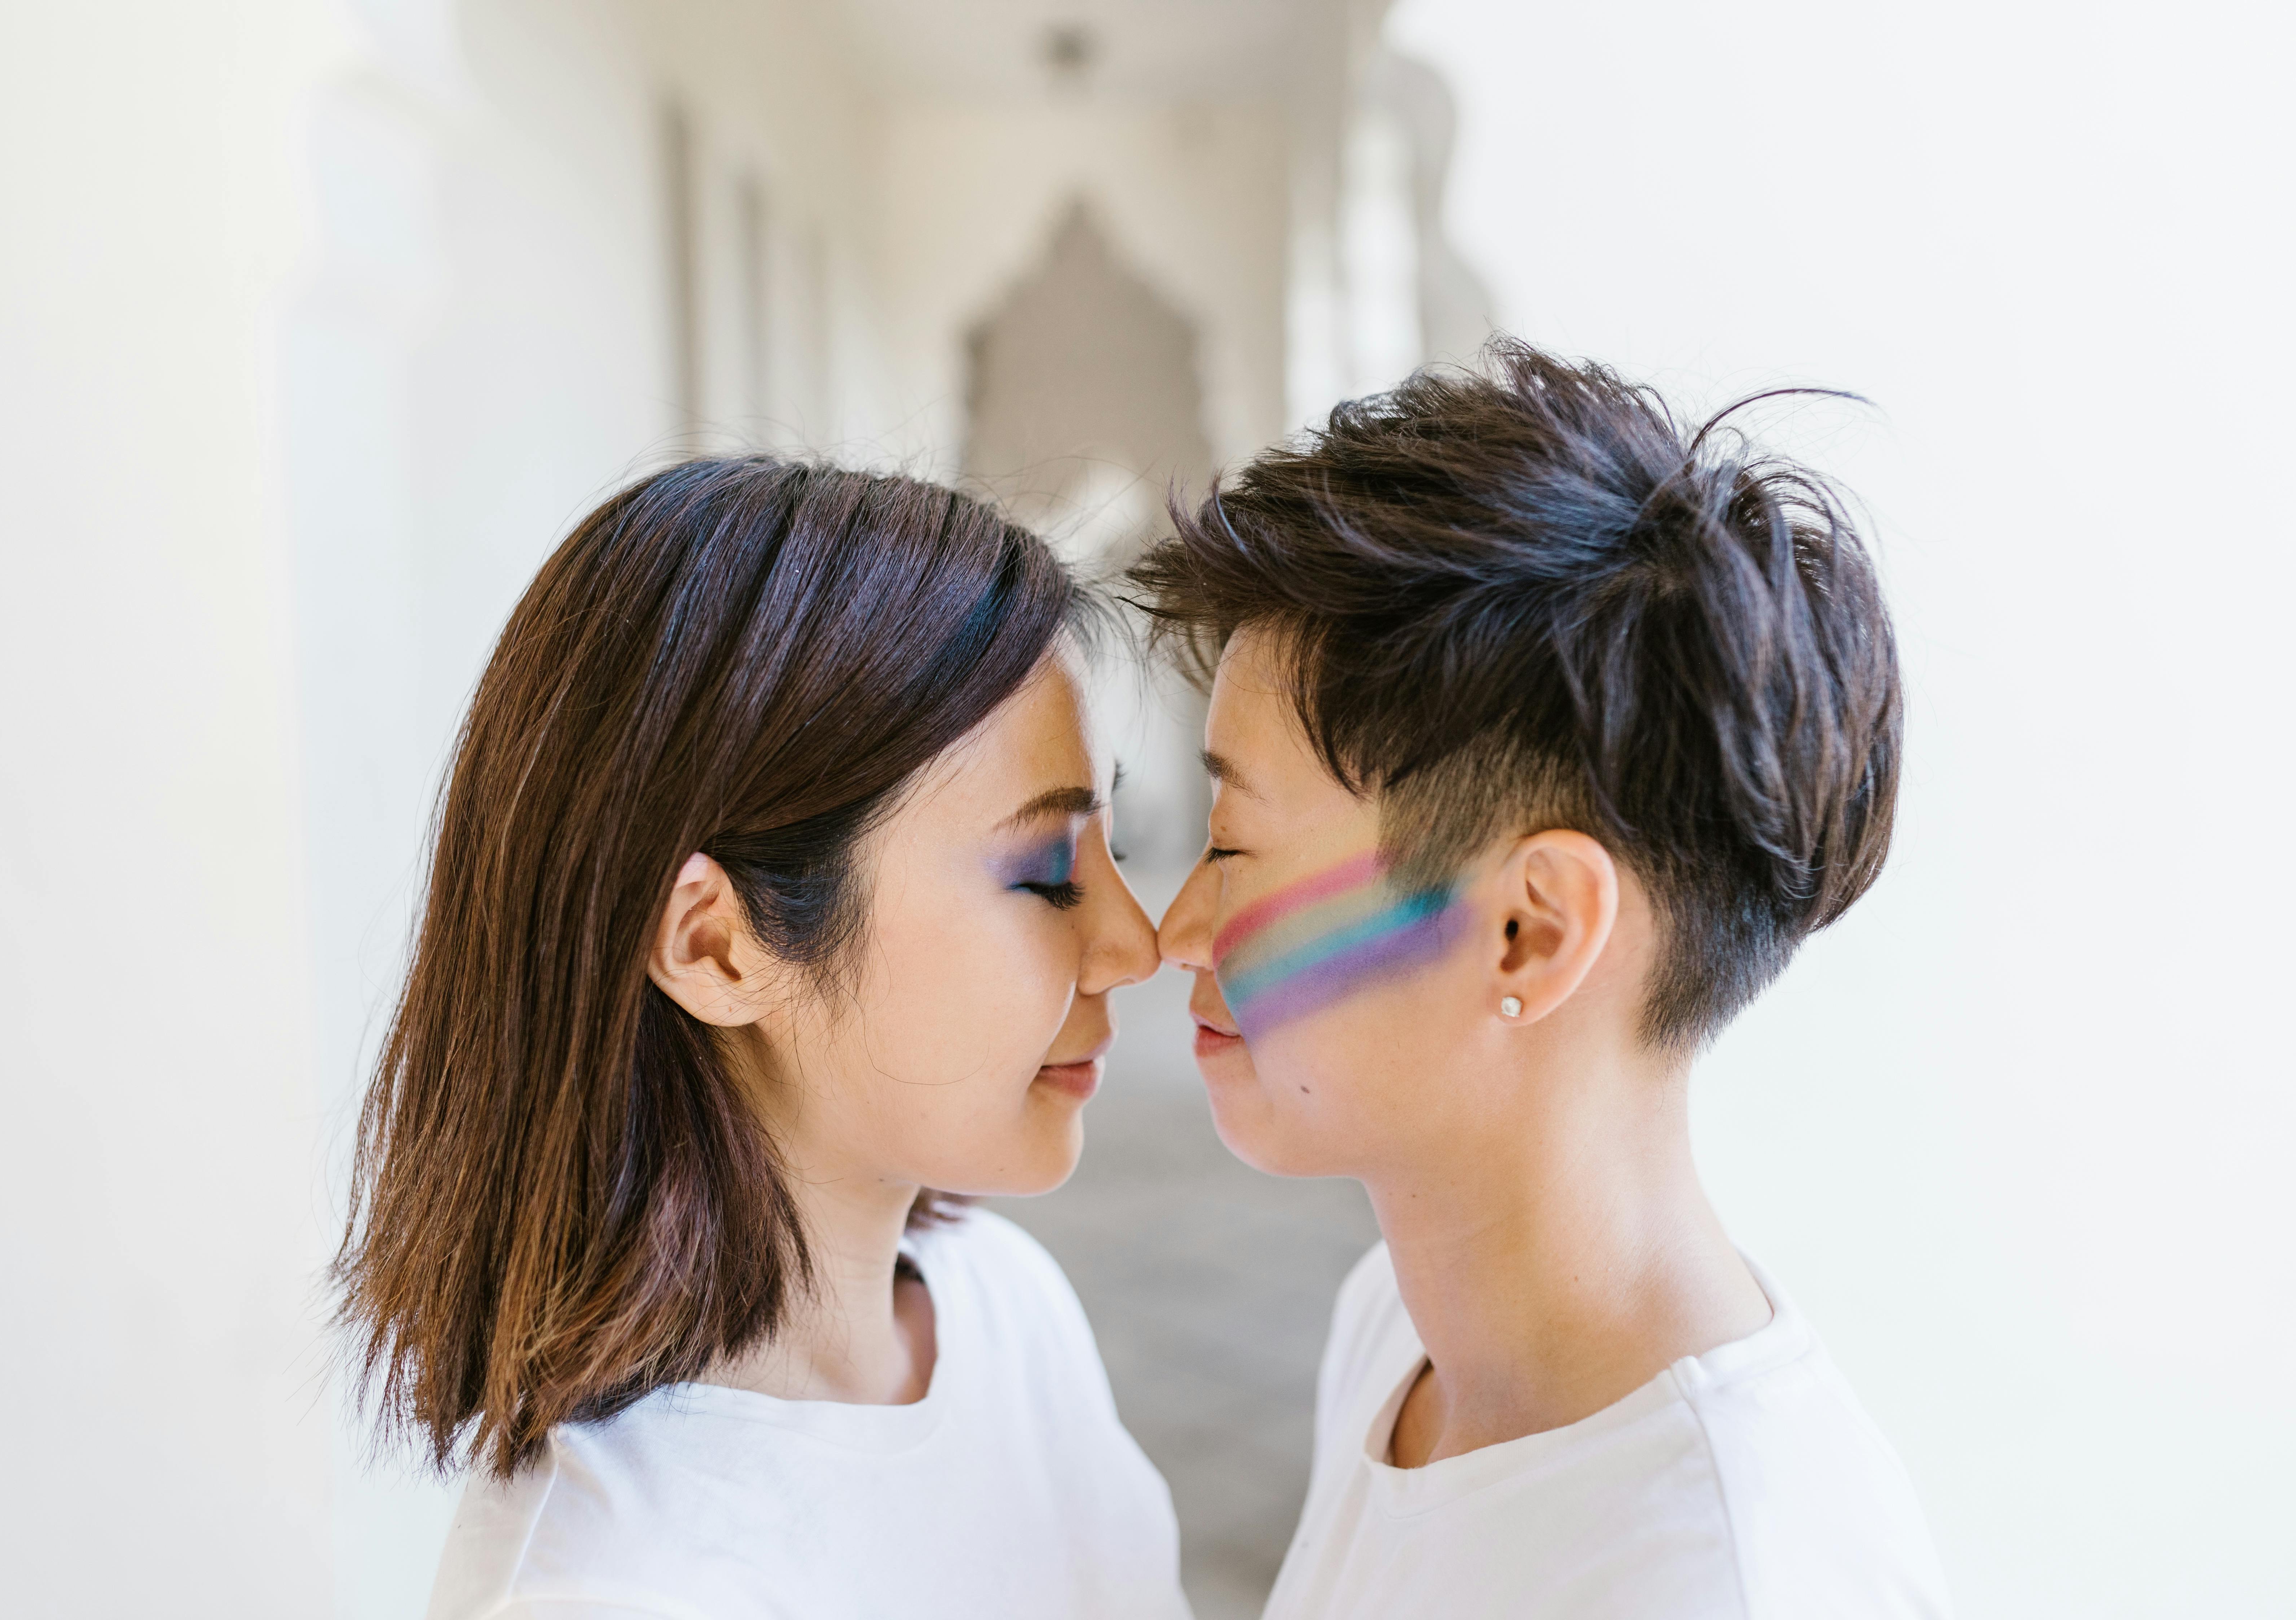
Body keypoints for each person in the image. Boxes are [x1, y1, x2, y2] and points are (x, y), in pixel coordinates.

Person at [1131, 342, 1951, 1619]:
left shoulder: (1725, 1573)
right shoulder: (1400, 1334)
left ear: (1529, 931)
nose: (1173, 931)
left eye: (1233, 845)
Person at [333, 459, 1188, 1620]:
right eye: (1045, 874)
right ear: (717, 948)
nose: (1137, 944)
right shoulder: (615, 1589)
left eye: (1109, 850)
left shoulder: (1003, 1307)